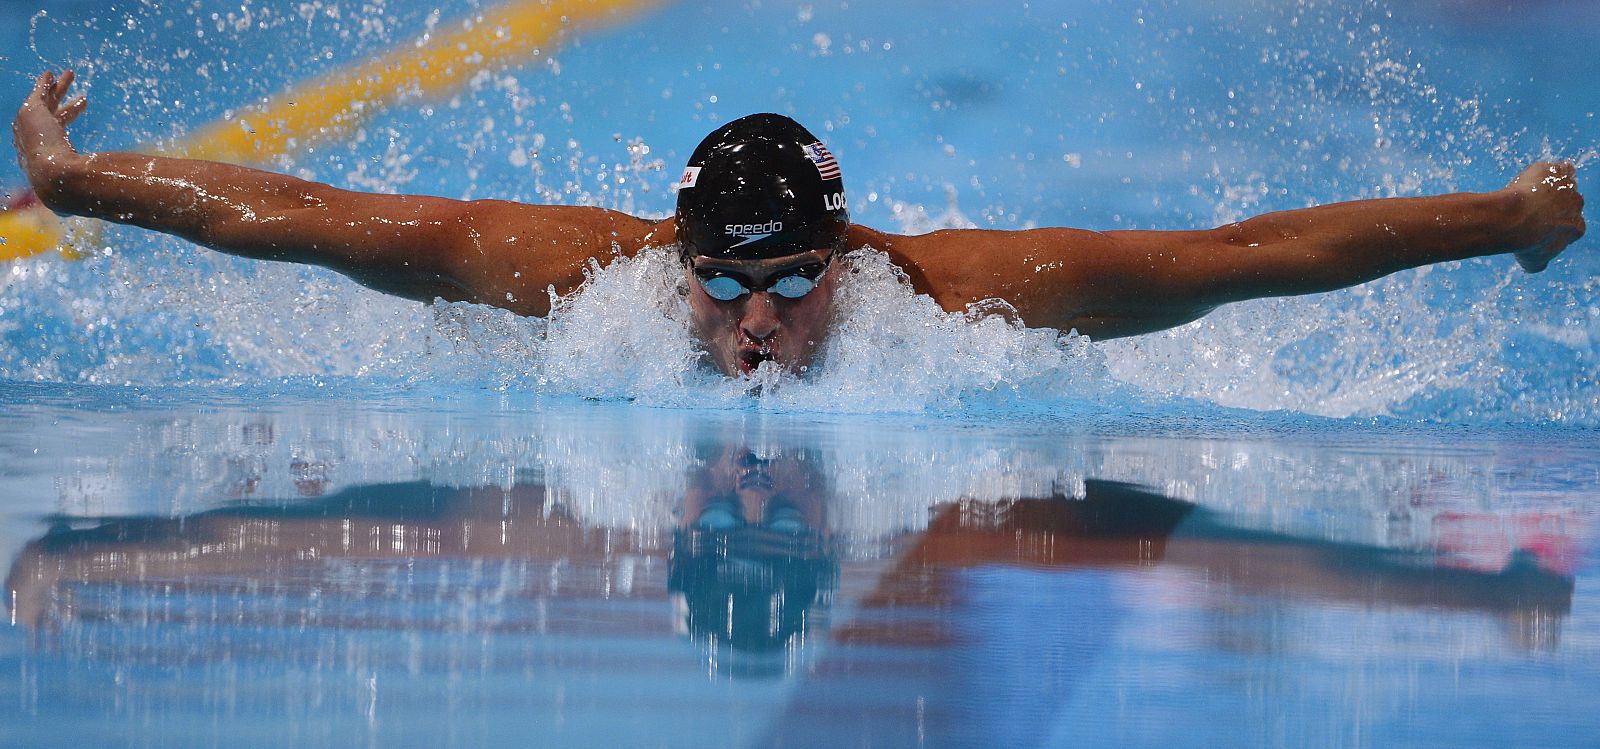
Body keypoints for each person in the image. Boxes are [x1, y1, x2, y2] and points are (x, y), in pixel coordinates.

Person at [13, 70, 1587, 377]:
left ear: (850, 258)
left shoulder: (973, 298)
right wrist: (83, 186)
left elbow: (1256, 257)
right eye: (721, 284)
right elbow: (314, 213)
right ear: (671, 254)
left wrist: (1506, 221)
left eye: (791, 286)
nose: (754, 326)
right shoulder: (575, 277)